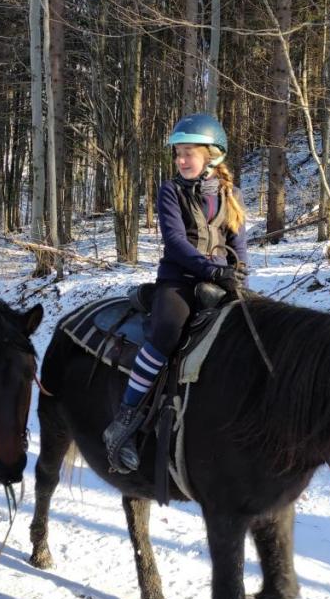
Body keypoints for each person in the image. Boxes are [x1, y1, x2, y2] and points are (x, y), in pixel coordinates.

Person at [103, 113, 249, 473]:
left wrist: (239, 277)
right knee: (167, 332)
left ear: (211, 156)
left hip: (220, 281)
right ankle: (126, 416)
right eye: (178, 154)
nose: (181, 160)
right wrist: (212, 269)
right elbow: (175, 242)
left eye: (189, 153)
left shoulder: (232, 195)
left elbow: (238, 244)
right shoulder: (171, 191)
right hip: (178, 279)